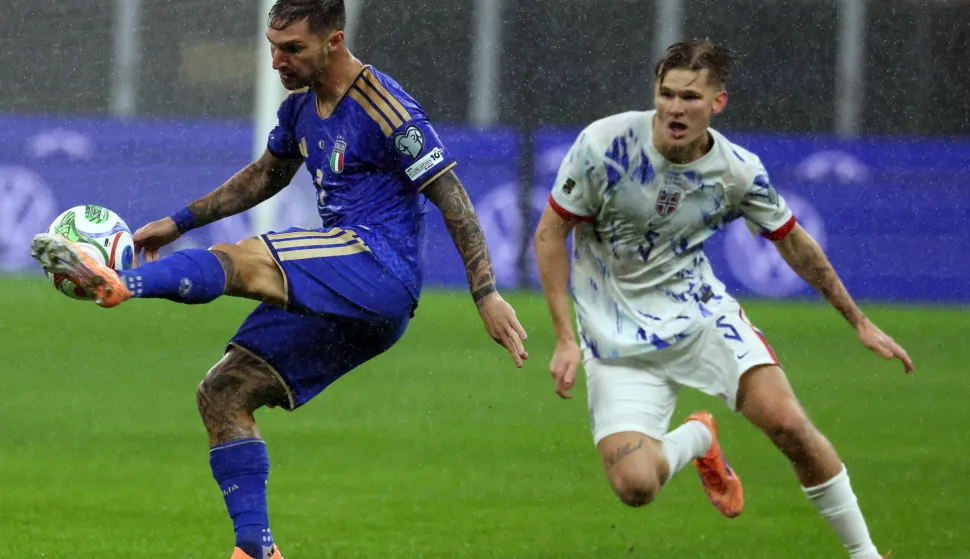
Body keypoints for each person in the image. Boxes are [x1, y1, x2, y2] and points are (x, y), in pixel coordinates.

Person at [31, 1, 528, 558]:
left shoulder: (385, 106)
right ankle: (256, 551)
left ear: (334, 42)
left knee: (241, 259)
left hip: (376, 264)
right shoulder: (300, 111)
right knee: (223, 393)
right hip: (359, 305)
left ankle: (120, 284)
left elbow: (451, 193)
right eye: (273, 45)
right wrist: (176, 223)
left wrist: (485, 292)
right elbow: (266, 176)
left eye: (293, 49)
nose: (277, 61)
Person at [532, 39, 911, 559]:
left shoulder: (737, 171)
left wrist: (859, 322)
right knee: (635, 487)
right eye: (666, 94)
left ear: (718, 103)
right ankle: (698, 438)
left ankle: (866, 555)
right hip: (615, 336)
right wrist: (563, 337)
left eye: (690, 97)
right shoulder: (605, 145)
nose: (674, 108)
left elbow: (796, 244)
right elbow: (551, 232)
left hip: (701, 318)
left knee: (790, 426)